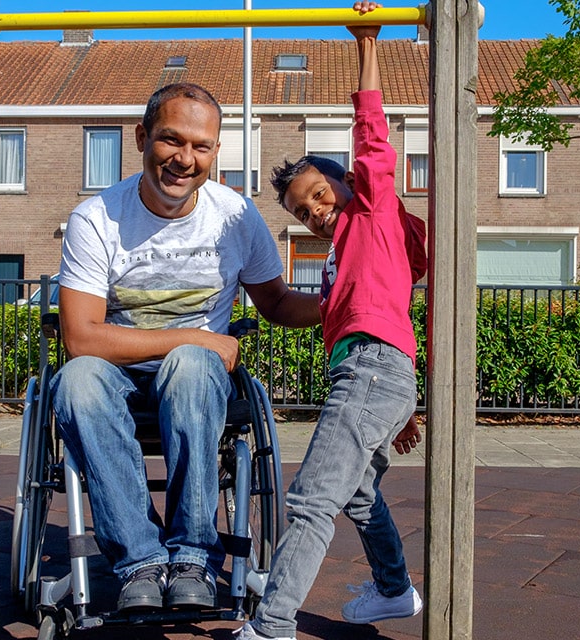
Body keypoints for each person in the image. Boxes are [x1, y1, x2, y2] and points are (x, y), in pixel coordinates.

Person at [50, 81, 319, 613]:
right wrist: (192, 335)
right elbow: (81, 336)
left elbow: (279, 303)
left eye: (201, 146)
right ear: (141, 137)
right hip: (112, 377)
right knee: (76, 380)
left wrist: (351, 305)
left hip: (195, 378)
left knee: (192, 365)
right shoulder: (96, 218)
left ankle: (194, 556)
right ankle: (140, 563)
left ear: (217, 151)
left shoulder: (235, 215)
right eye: (172, 141)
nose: (185, 159)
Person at [234, 3, 428, 638]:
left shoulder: (369, 212)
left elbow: (373, 139)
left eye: (321, 195)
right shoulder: (346, 253)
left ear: (348, 186)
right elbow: (386, 312)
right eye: (301, 209)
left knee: (312, 498)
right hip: (378, 375)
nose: (313, 211)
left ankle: (273, 624)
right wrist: (405, 405)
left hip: (372, 373)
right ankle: (394, 589)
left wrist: (368, 43)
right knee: (358, 495)